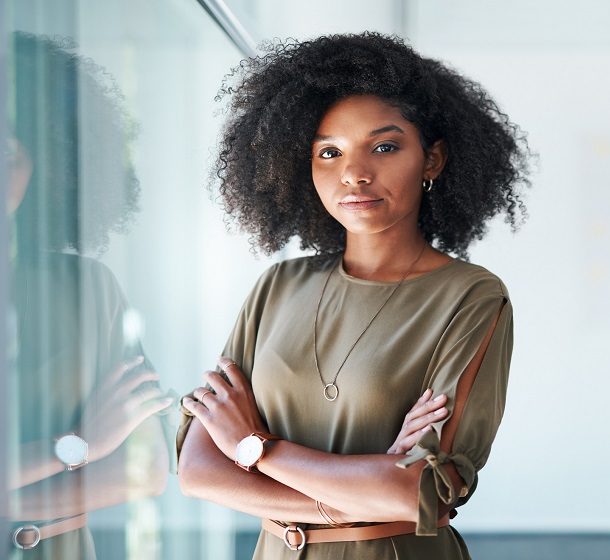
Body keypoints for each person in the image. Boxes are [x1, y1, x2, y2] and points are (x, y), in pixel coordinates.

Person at [177, 32, 530, 559]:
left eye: (384, 147)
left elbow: (418, 493)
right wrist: (349, 497)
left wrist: (255, 447)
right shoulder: (278, 285)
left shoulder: (470, 296)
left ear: (432, 159)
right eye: (329, 152)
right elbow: (198, 471)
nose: (355, 173)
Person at [7, 32, 172, 558]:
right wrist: (78, 447)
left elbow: (146, 471)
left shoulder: (87, 288)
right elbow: (104, 458)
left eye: (8, 149)